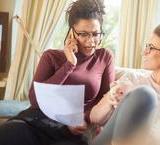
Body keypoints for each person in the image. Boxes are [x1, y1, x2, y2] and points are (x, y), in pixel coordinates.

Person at [0, 0, 115, 145]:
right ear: (72, 32)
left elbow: (106, 99)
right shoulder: (51, 56)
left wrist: (83, 119)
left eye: (95, 34)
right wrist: (69, 65)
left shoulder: (105, 57)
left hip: (77, 127)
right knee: (8, 133)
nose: (91, 41)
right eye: (83, 34)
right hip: (39, 120)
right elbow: (35, 100)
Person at [90, 24, 160, 145]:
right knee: (143, 94)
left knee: (144, 94)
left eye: (150, 47)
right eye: (146, 46)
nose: (144, 52)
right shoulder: (132, 79)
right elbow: (94, 117)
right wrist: (111, 98)